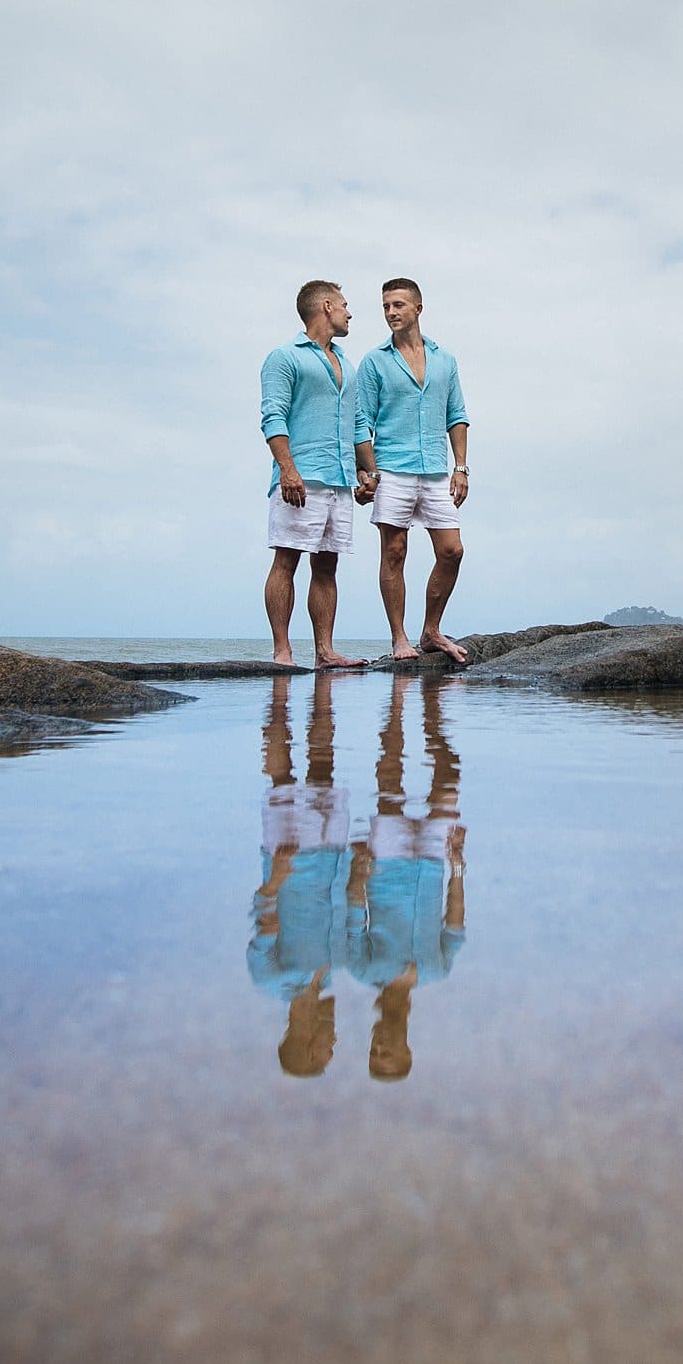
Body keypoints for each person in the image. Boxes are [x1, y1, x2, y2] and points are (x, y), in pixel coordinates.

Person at [346, 670, 465, 1080]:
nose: (380, 1043)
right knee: (449, 778)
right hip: (433, 860)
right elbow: (454, 922)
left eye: (375, 1050)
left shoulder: (363, 971)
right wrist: (458, 864)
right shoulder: (437, 971)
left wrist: (359, 868)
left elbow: (353, 913)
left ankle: (399, 703)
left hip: (389, 863)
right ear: (405, 1046)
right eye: (387, 1052)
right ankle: (434, 715)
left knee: (390, 780)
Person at [259, 279, 378, 670]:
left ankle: (325, 652)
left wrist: (369, 471)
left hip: (340, 480)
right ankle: (282, 652)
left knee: (327, 566)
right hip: (301, 478)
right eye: (344, 305)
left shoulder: (348, 363)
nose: (349, 312)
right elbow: (272, 416)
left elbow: (359, 424)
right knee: (287, 560)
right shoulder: (284, 356)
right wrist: (288, 470)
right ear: (326, 306)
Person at [352, 276, 471, 663]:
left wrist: (461, 468)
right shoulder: (374, 361)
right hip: (392, 470)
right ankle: (399, 638)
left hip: (436, 469)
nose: (391, 313)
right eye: (386, 306)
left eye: (398, 305)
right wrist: (365, 473)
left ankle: (431, 630)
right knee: (395, 552)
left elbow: (457, 415)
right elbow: (360, 423)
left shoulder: (444, 360)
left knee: (452, 550)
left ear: (418, 308)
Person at [248, 673, 348, 1077]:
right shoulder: (327, 978)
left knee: (282, 779)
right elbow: (340, 912)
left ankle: (279, 696)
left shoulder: (271, 982)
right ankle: (318, 693)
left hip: (287, 860)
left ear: (306, 1046)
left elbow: (263, 920)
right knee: (323, 766)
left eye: (327, 1049)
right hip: (330, 854)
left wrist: (277, 874)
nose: (335, 1042)